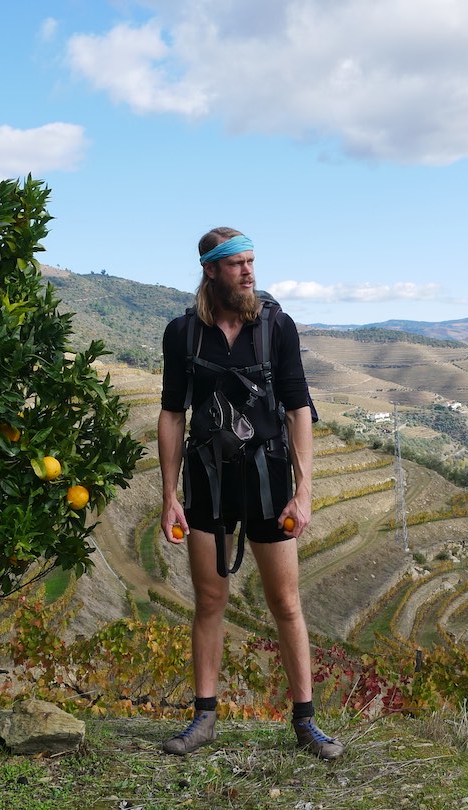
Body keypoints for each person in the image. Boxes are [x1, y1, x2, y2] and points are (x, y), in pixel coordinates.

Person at [156, 227, 344, 760]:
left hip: (269, 480)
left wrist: (304, 493)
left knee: (286, 602)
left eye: (251, 261)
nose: (248, 272)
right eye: (236, 263)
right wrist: (168, 496)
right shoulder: (182, 334)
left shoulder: (277, 327)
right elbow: (172, 413)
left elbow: (297, 408)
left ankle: (306, 723)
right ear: (210, 270)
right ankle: (203, 719)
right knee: (209, 601)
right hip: (206, 483)